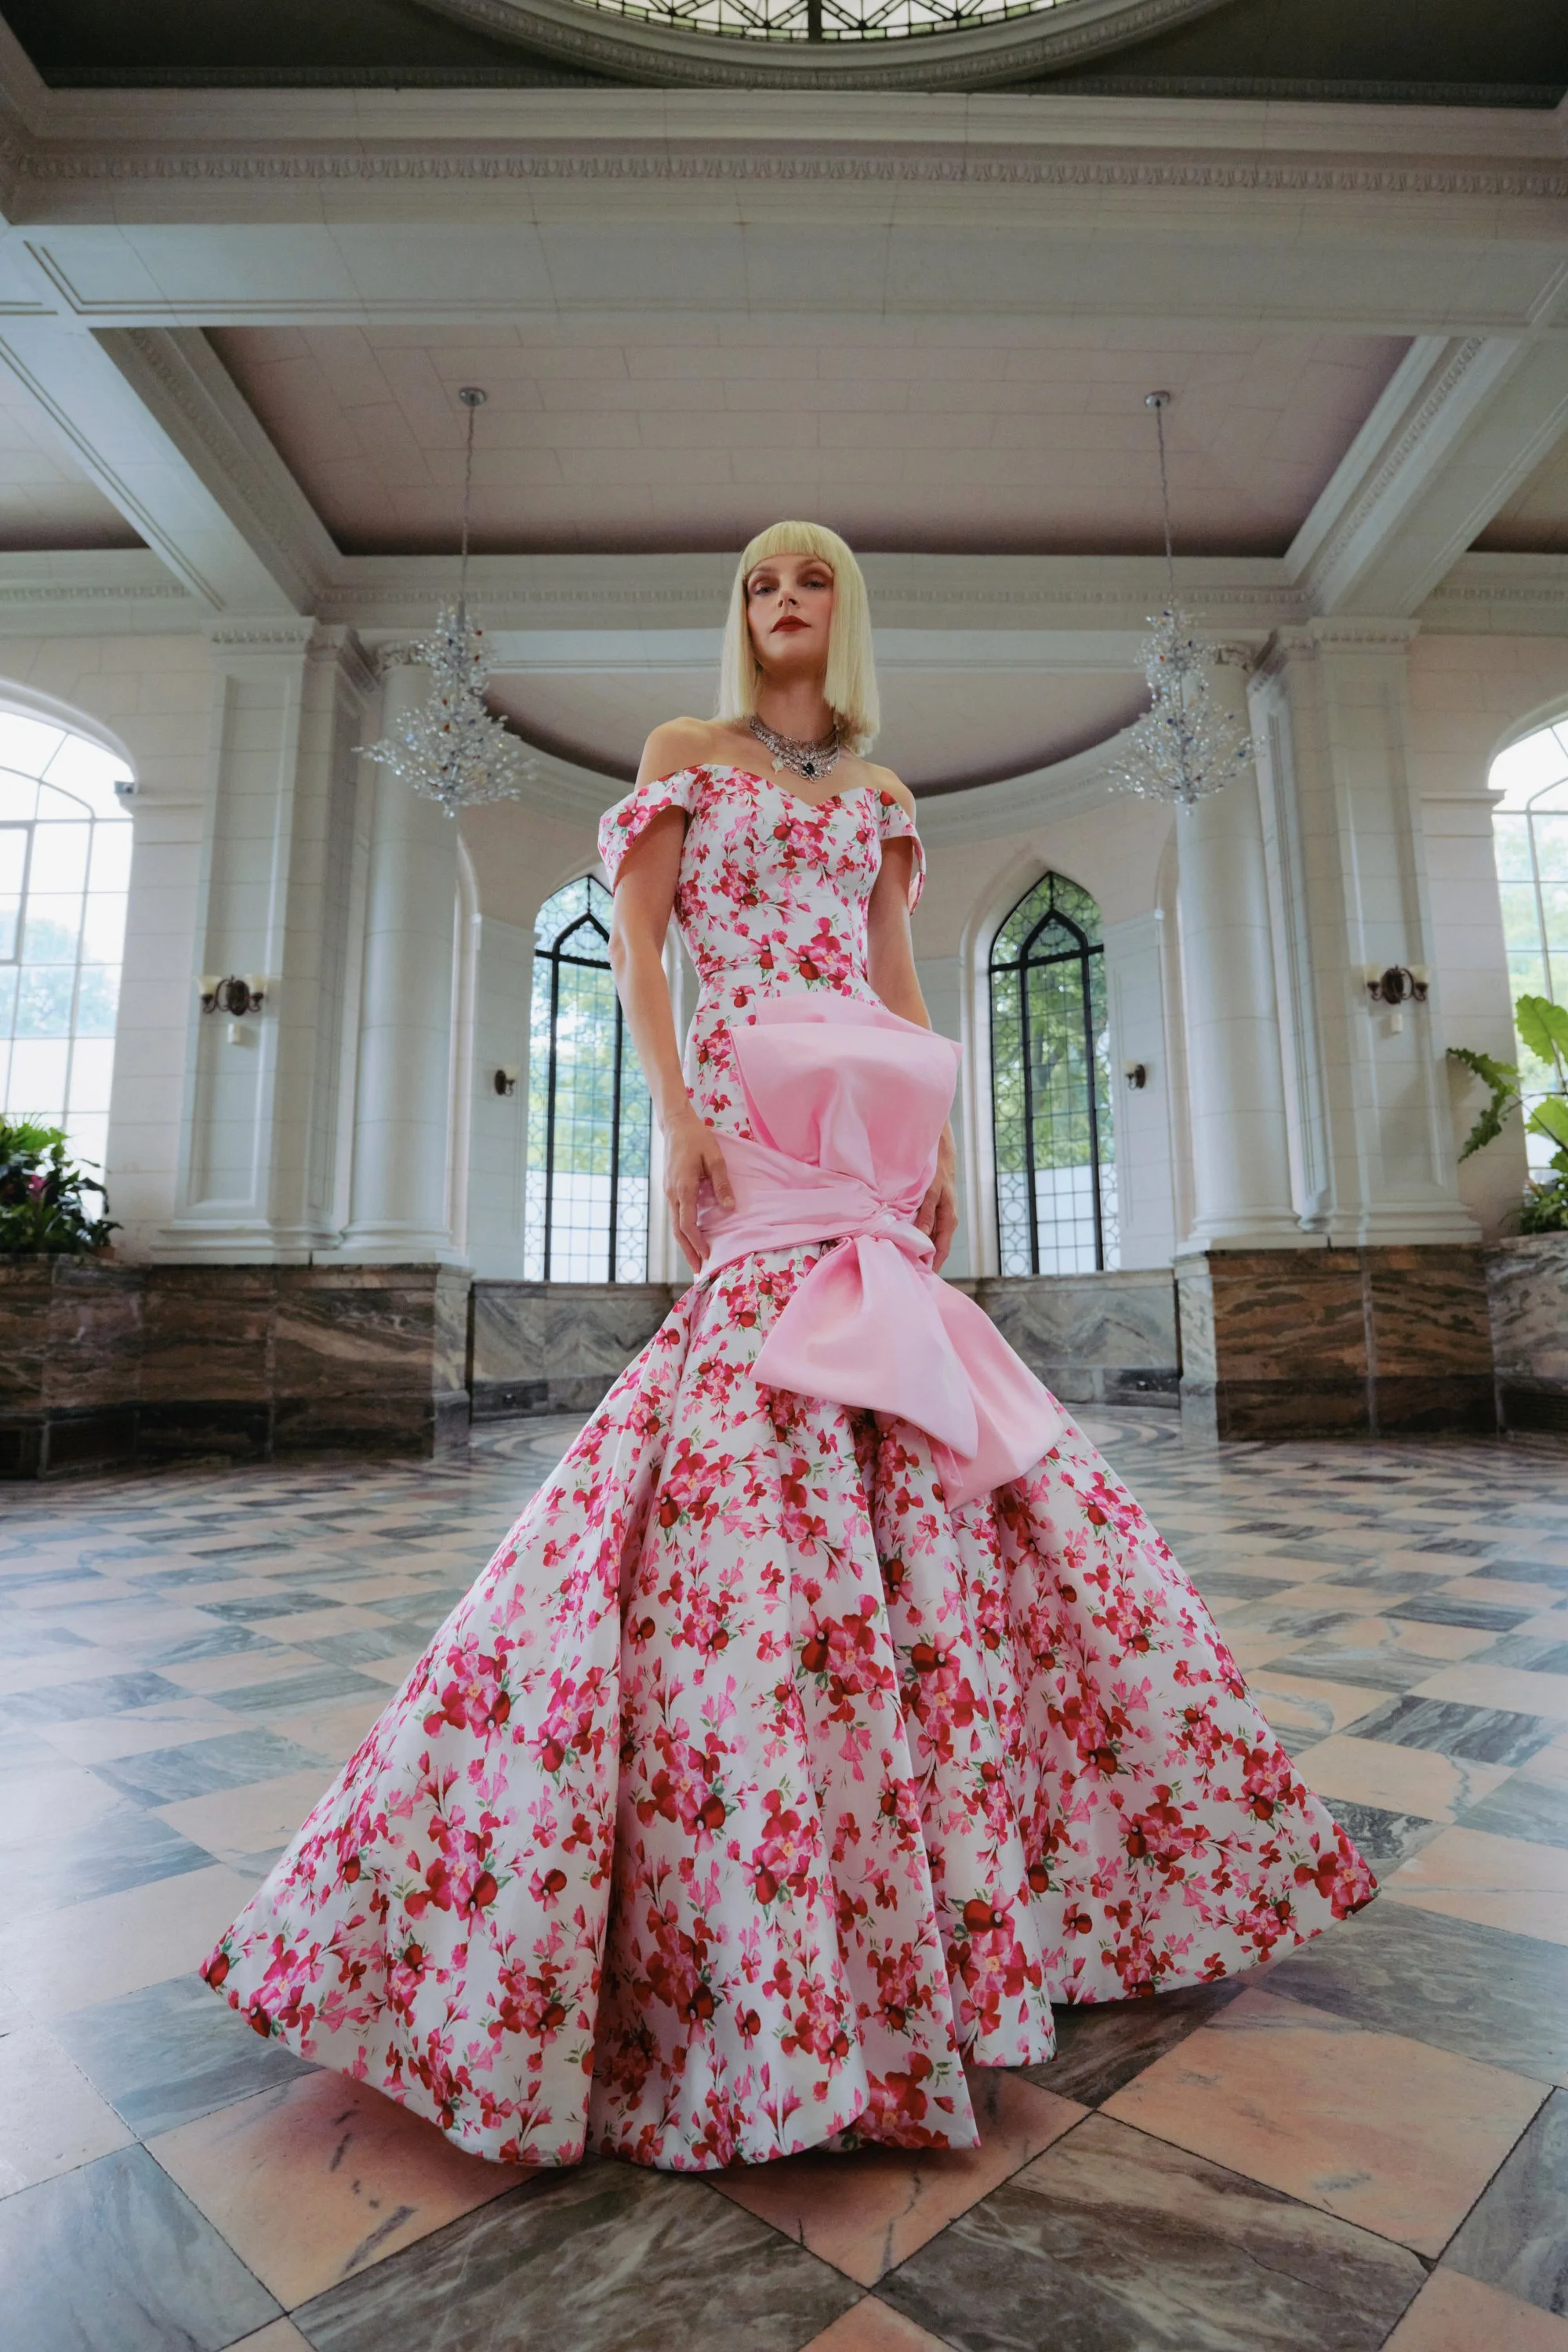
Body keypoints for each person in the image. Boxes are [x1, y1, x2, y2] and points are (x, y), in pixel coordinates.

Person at [203, 519, 1373, 2172]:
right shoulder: (684, 758)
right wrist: (676, 1118)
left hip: (869, 1132)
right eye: (759, 585)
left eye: (807, 580)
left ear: (845, 610)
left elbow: (896, 982)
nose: (781, 604)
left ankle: (984, 1875)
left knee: (943, 1427)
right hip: (753, 1120)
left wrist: (948, 1148)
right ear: (739, 617)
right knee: (740, 1397)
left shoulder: (886, 803)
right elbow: (637, 945)